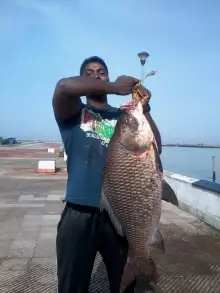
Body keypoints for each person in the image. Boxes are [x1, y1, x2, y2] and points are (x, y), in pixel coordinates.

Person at [52, 56, 162, 293]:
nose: (95, 75)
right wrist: (114, 88)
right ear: (81, 79)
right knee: (72, 285)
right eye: (89, 73)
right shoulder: (73, 112)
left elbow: (155, 149)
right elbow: (63, 87)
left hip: (120, 218)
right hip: (79, 214)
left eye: (101, 72)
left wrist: (144, 107)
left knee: (124, 286)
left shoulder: (122, 114)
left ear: (108, 75)